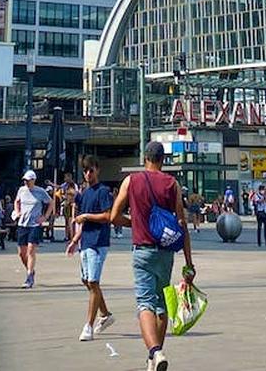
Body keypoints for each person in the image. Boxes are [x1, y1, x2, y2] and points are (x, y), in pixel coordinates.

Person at [108, 140, 195, 371]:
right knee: (162, 304)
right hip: (166, 252)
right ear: (163, 160)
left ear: (145, 157)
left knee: (145, 303)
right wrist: (189, 264)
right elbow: (181, 224)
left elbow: (113, 216)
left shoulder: (131, 181)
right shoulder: (172, 183)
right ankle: (154, 358)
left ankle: (155, 352)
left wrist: (134, 223)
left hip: (142, 250)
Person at [69, 155, 116, 341]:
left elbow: (108, 216)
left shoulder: (103, 191)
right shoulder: (85, 194)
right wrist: (75, 240)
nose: (88, 174)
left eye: (91, 170)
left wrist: (87, 216)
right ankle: (105, 314)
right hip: (85, 242)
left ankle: (88, 325)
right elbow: (80, 220)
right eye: (86, 170)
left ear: (97, 170)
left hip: (98, 243)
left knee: (93, 282)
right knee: (87, 281)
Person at [13, 168, 53, 288]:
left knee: (31, 249)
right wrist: (17, 211)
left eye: (29, 180)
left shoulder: (40, 192)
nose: (26, 182)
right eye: (25, 180)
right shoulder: (21, 190)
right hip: (22, 223)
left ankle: (29, 276)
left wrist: (45, 217)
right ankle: (30, 269)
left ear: (34, 180)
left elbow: (51, 203)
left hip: (35, 224)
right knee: (21, 253)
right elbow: (17, 201)